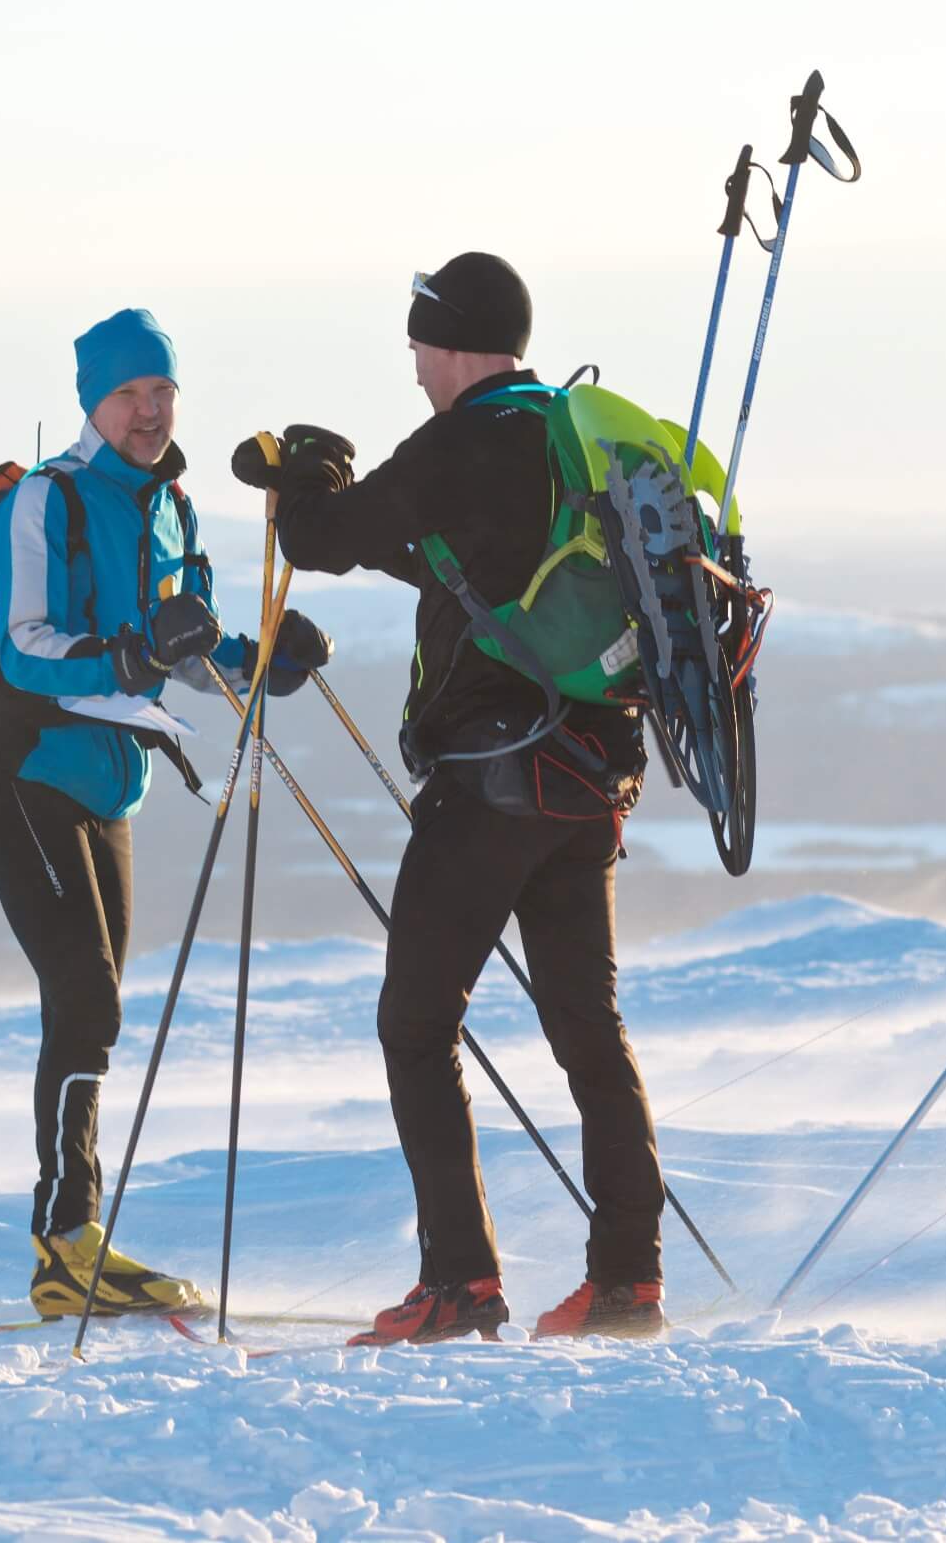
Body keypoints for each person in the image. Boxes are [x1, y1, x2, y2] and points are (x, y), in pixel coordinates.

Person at [231, 253, 666, 1344]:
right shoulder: (572, 437)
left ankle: (459, 1279)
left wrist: (298, 481)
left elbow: (328, 540)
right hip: (590, 777)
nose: (416, 366)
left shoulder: (462, 438)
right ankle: (626, 1277)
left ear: (455, 339)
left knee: (417, 1022)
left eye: (420, 344)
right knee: (588, 1027)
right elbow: (449, 564)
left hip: (491, 786)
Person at [0, 306, 334, 1318]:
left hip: (106, 780)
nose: (151, 410)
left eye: (163, 392)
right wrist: (124, 654)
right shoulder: (48, 502)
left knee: (95, 1003)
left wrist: (262, 665)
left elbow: (190, 648)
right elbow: (25, 645)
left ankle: (74, 1241)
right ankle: (63, 1242)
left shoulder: (176, 508)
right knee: (86, 993)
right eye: (131, 393)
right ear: (93, 401)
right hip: (21, 769)